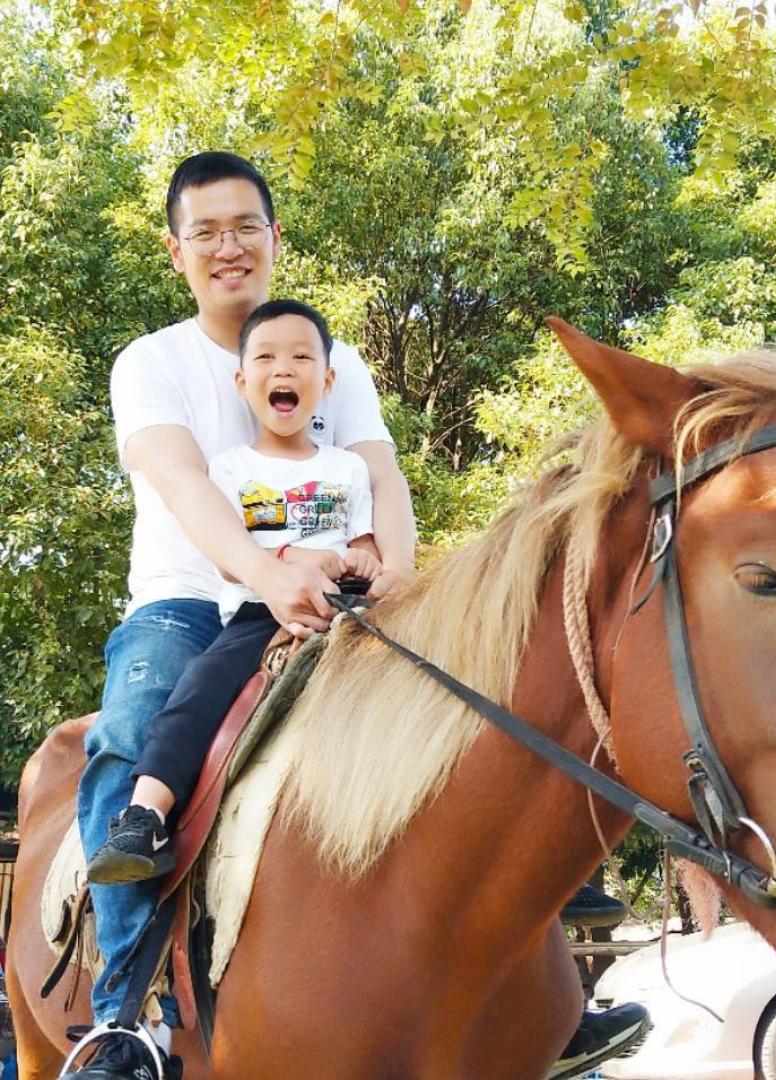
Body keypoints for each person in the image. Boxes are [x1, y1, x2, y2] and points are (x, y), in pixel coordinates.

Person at [70, 152, 413, 1080]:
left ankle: (525, 975)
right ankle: (125, 1019)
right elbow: (183, 481)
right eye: (207, 232)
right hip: (192, 601)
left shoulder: (334, 361)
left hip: (337, 600)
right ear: (176, 250)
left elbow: (380, 477)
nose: (229, 247)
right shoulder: (152, 362)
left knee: (466, 701)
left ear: (274, 237)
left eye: (245, 227)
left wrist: (395, 571)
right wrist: (266, 573)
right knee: (131, 734)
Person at [86, 299, 380, 885]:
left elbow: (366, 545)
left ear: (327, 382)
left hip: (347, 609)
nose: (284, 369)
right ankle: (145, 813)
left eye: (301, 358)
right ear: (243, 383)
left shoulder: (348, 470)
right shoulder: (232, 469)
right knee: (199, 688)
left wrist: (360, 562)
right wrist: (297, 560)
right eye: (266, 358)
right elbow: (232, 559)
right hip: (258, 611)